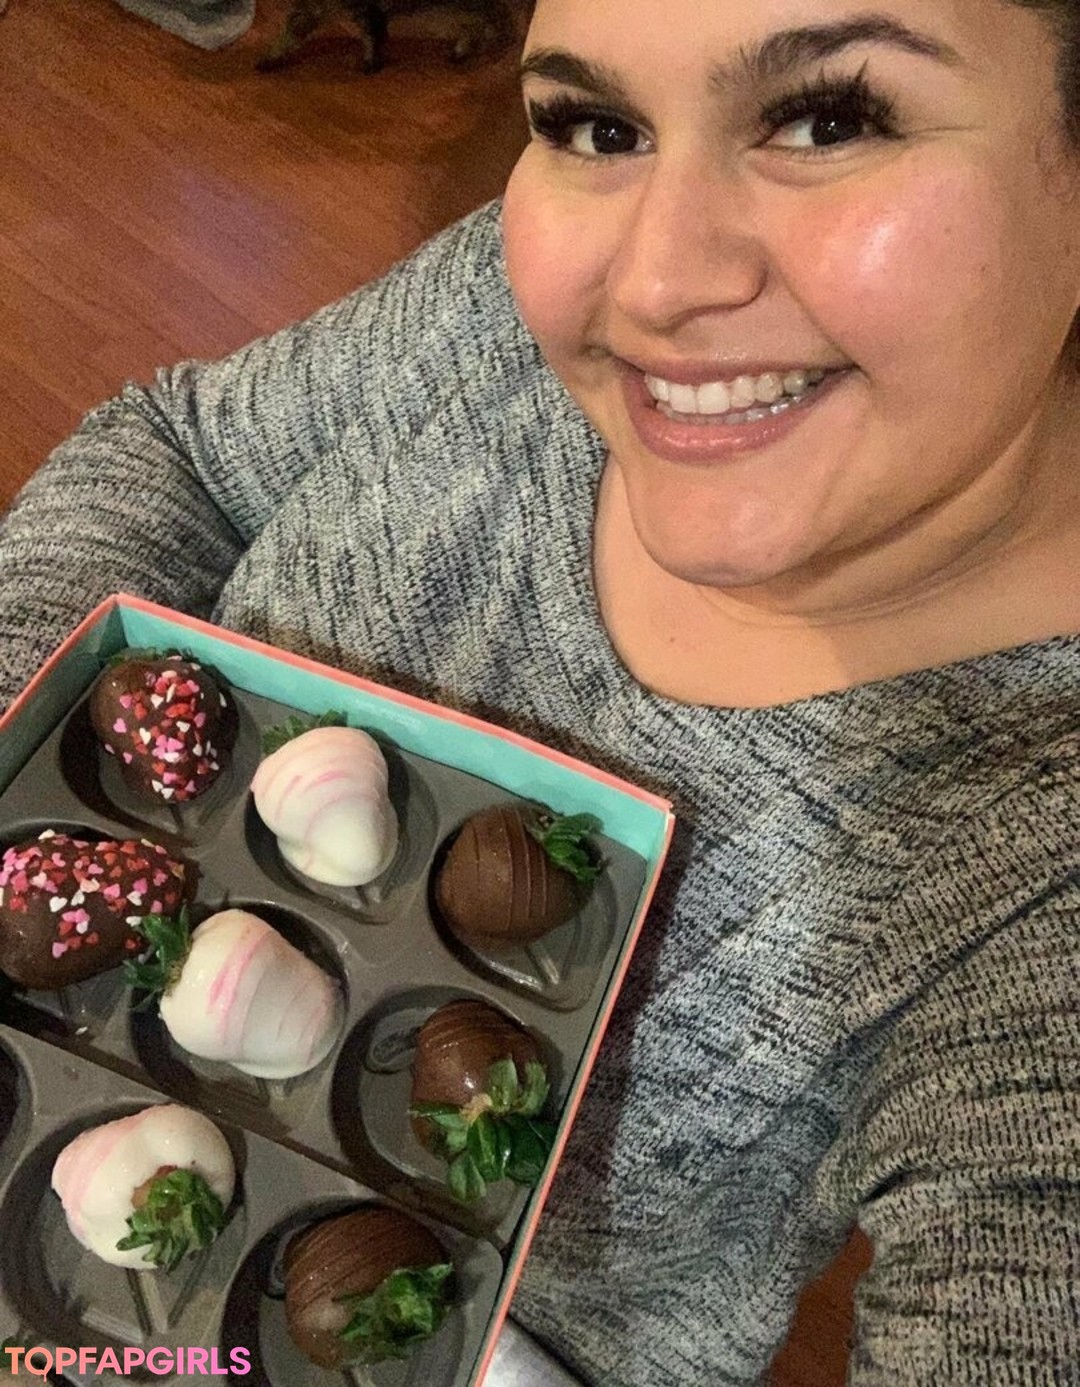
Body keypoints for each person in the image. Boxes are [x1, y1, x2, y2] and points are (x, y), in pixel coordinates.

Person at [2, 0, 1079, 1382]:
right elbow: (185, 453)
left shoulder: (1035, 869)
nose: (652, 285)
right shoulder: (502, 306)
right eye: (596, 126)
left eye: (830, 119)